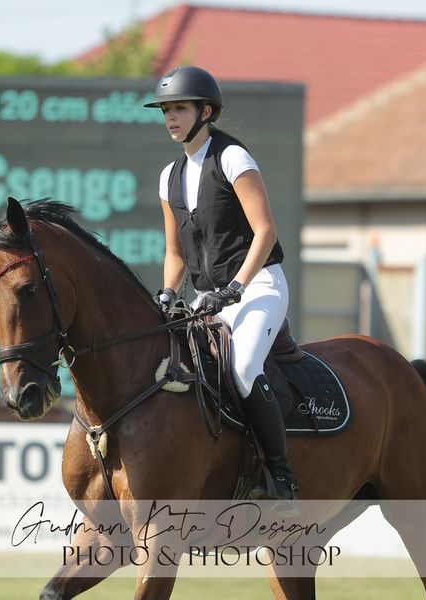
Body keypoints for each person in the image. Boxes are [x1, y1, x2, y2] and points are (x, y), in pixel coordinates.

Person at [144, 65, 298, 510]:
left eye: (179, 108)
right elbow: (175, 253)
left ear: (205, 112)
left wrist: (234, 288)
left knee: (243, 368)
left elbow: (265, 231)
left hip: (258, 285)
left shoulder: (232, 158)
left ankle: (280, 475)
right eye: (165, 110)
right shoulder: (168, 177)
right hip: (205, 299)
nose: (170, 117)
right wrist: (167, 293)